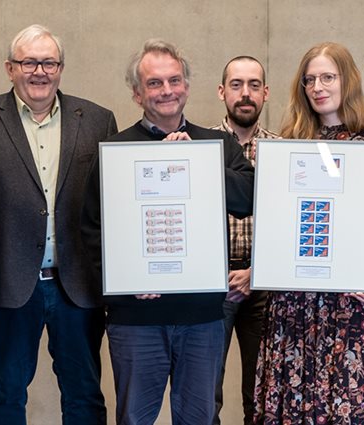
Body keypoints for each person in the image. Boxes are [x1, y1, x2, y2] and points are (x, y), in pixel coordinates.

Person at [0, 24, 117, 424]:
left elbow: (110, 209)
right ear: (10, 68)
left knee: (84, 396)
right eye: (29, 62)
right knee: (4, 396)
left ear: (60, 68)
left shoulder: (97, 120)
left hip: (77, 287)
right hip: (7, 286)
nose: (39, 71)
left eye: (49, 62)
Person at [82, 39, 254, 425]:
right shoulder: (114, 150)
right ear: (137, 93)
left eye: (174, 80)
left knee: (199, 418)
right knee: (134, 419)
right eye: (155, 83)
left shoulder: (217, 145)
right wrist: (122, 283)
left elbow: (248, 199)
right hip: (136, 316)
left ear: (187, 87)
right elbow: (91, 231)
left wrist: (196, 161)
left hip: (202, 317)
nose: (167, 91)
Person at [253, 41, 364, 424]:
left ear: (348, 80)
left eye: (328, 77)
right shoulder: (287, 147)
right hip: (296, 308)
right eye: (310, 79)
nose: (318, 87)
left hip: (354, 306)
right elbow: (275, 225)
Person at [210, 55, 279, 425]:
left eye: (254, 85)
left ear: (266, 93)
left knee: (262, 394)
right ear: (222, 92)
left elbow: (288, 227)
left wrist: (258, 270)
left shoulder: (284, 152)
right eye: (236, 85)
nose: (245, 93)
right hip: (211, 285)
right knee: (205, 394)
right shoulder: (201, 147)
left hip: (265, 285)